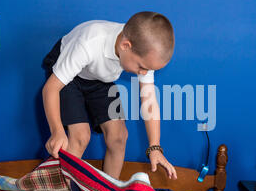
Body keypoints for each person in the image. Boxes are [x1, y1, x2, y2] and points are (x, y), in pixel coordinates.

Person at [41, 11, 177, 180]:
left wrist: (154, 146)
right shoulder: (90, 43)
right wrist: (57, 131)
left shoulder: (141, 51)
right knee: (81, 136)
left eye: (149, 70)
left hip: (98, 78)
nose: (143, 73)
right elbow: (50, 89)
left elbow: (149, 101)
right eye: (142, 68)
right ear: (125, 45)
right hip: (68, 76)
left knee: (119, 136)